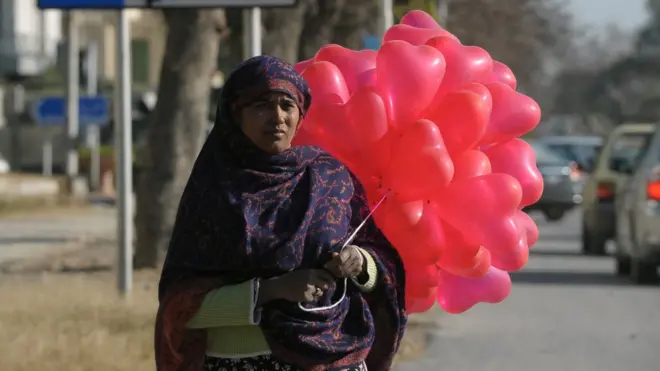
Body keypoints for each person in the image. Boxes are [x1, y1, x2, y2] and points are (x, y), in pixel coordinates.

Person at [154, 55, 407, 371]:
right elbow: (180, 307)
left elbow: (382, 264)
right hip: (241, 362)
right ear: (235, 115)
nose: (277, 117)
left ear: (300, 115)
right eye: (261, 105)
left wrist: (361, 263)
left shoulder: (330, 178)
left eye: (287, 105)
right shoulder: (213, 193)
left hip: (334, 358)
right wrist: (272, 290)